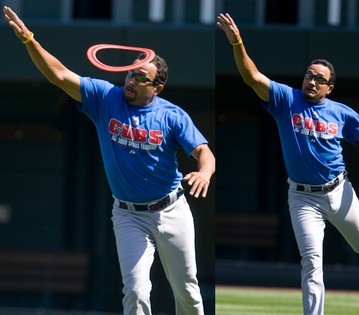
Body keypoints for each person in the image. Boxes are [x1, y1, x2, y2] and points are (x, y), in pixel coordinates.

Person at [217, 13, 359, 315]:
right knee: (311, 261)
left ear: (329, 87)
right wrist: (237, 41)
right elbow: (251, 77)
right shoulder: (287, 99)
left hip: (338, 190)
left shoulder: (340, 112)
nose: (312, 81)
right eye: (309, 75)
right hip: (303, 197)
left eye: (320, 78)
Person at [4, 6, 215, 315]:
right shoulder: (106, 97)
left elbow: (204, 153)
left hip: (172, 210)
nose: (130, 80)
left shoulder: (171, 115)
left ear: (157, 87)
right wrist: (28, 39)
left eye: (140, 77)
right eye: (130, 73)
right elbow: (59, 75)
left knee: (187, 291)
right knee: (136, 291)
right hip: (128, 215)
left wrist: (204, 173)